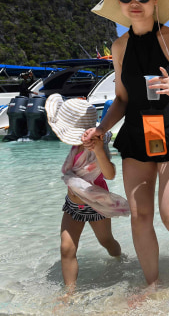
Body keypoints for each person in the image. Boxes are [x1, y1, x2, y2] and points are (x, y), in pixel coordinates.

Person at [84, 0, 169, 286]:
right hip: (138, 135)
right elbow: (122, 99)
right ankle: (151, 283)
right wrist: (101, 129)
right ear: (120, 4)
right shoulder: (119, 47)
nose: (134, 1)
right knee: (139, 216)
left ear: (156, 0)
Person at [45, 94, 129, 294]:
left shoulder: (96, 146)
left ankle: (120, 259)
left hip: (95, 205)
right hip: (72, 205)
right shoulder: (77, 146)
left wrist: (99, 150)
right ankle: (69, 294)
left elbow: (110, 174)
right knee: (67, 248)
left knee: (107, 242)